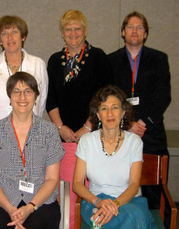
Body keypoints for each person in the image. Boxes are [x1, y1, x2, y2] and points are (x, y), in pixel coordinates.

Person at [46, 9, 112, 228]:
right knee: (66, 192)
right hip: (64, 138)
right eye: (68, 29)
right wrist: (60, 127)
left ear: (85, 30)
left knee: (93, 191)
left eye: (77, 28)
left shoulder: (98, 57)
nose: (73, 32)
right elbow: (50, 100)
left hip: (93, 136)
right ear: (62, 33)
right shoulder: (55, 60)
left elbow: (105, 98)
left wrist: (87, 127)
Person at [0, 72, 64, 229]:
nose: (22, 97)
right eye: (16, 91)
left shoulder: (50, 131)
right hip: (2, 200)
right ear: (9, 96)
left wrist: (30, 207)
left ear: (36, 96)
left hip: (39, 201)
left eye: (28, 91)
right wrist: (10, 209)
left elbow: (52, 179)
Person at [108, 11, 171, 212]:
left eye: (139, 27)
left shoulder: (159, 59)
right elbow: (109, 98)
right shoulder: (110, 61)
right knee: (121, 192)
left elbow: (163, 95)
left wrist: (143, 123)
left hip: (151, 135)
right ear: (122, 32)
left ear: (145, 34)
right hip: (120, 135)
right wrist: (127, 124)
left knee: (154, 194)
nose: (134, 31)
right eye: (130, 27)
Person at [73, 85, 157, 229]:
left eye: (115, 108)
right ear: (98, 115)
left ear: (123, 112)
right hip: (95, 202)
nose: (110, 113)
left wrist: (115, 205)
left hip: (129, 202)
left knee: (132, 216)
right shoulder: (86, 141)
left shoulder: (134, 142)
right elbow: (77, 183)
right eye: (104, 108)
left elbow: (134, 184)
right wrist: (98, 202)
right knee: (131, 219)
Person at [0, 15, 48, 142]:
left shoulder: (38, 65)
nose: (10, 37)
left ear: (23, 36)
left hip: (30, 137)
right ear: (0, 40)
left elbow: (41, 101)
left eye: (14, 32)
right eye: (4, 33)